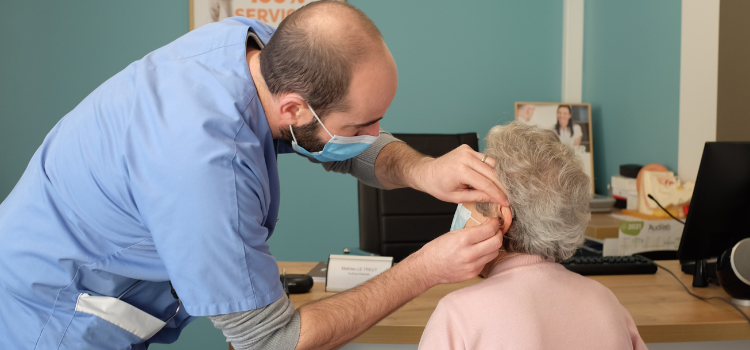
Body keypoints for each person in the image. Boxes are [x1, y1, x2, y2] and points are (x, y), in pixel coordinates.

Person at [0, 2, 508, 349]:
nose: (377, 134)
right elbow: (271, 340)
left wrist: (424, 170)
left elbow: (326, 138)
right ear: (292, 106)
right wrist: (425, 268)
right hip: (50, 317)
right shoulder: (203, 168)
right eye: (364, 124)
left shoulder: (255, 48)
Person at [419, 122, 647, 350]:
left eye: (470, 190)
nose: (461, 203)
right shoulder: (607, 304)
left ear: (500, 218)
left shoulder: (457, 317)